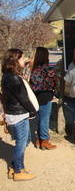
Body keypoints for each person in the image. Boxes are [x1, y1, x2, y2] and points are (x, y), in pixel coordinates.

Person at [1, 48, 38, 181]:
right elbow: (23, 98)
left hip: (13, 113)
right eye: (22, 58)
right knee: (21, 143)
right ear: (15, 61)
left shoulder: (7, 75)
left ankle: (17, 167)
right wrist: (32, 110)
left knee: (21, 142)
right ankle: (18, 170)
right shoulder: (14, 78)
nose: (24, 60)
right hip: (19, 114)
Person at [30, 47, 58, 150]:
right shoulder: (48, 69)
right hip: (46, 95)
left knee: (39, 118)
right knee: (45, 118)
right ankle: (45, 140)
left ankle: (39, 140)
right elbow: (54, 82)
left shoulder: (34, 69)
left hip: (36, 95)